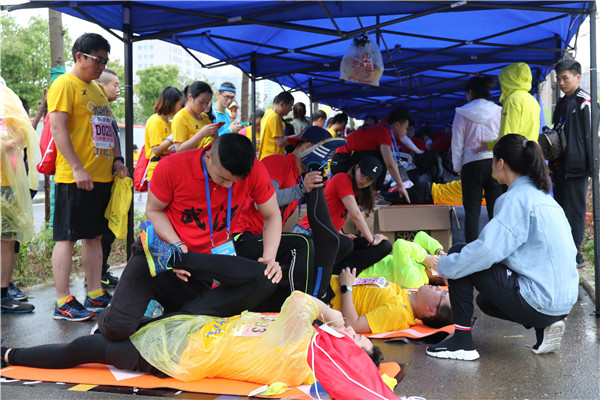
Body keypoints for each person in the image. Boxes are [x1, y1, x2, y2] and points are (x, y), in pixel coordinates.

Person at [98, 134, 284, 341]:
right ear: (209, 156)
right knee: (116, 328)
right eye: (223, 178)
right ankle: (112, 315)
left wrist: (269, 258)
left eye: (235, 181)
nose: (228, 186)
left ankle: (152, 321)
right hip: (158, 255)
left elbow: (272, 215)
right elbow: (153, 210)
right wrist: (176, 245)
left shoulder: (254, 170)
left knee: (183, 334)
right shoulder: (172, 167)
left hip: (200, 265)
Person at [2, 291, 382, 386]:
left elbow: (299, 301)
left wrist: (332, 314)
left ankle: (10, 355)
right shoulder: (310, 341)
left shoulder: (303, 356)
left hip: (179, 353)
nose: (350, 332)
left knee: (87, 349)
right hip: (195, 331)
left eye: (354, 341)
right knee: (120, 325)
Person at [426, 134, 579, 361]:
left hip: (539, 301)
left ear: (501, 163)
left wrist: (444, 265)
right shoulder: (547, 200)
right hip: (563, 303)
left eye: (492, 160)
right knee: (484, 302)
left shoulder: (515, 199)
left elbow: (485, 251)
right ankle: (544, 327)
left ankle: (462, 342)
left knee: (459, 254)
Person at [48, 33, 128, 321]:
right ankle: (62, 301)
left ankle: (94, 293)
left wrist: (117, 159)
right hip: (74, 177)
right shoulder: (65, 84)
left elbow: (109, 128)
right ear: (79, 56)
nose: (101, 66)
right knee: (67, 237)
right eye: (97, 60)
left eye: (105, 61)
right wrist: (77, 167)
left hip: (101, 176)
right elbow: (57, 128)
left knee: (94, 236)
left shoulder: (96, 90)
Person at [235, 126, 345, 303]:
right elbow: (261, 201)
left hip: (266, 240)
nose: (326, 161)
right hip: (243, 237)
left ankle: (320, 296)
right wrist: (301, 189)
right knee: (302, 243)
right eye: (325, 155)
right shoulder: (278, 162)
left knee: (338, 243)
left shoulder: (299, 176)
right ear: (306, 147)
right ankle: (300, 305)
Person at [299, 156, 393, 278]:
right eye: (363, 174)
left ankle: (342, 271)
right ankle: (330, 272)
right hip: (309, 233)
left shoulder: (354, 189)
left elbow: (331, 215)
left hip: (329, 236)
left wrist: (341, 234)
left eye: (369, 179)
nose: (364, 180)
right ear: (357, 167)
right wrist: (372, 240)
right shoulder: (342, 178)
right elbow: (356, 215)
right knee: (347, 243)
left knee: (384, 246)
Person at [550, 59, 598, 268]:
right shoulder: (562, 103)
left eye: (565, 78)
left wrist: (592, 169)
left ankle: (576, 252)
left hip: (577, 168)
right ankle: (564, 250)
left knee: (576, 210)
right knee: (561, 209)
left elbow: (591, 137)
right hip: (559, 166)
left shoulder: (584, 102)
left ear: (578, 77)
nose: (561, 83)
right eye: (558, 79)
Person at [451, 76, 504, 242]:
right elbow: (503, 137)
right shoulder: (498, 110)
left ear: (470, 92)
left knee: (472, 212)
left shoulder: (461, 112)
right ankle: (497, 248)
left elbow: (457, 143)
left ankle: (471, 251)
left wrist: (457, 167)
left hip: (471, 164)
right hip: (494, 162)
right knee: (496, 211)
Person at [1, 84, 39, 313]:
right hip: (5, 184)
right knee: (5, 241)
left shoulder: (9, 110)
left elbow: (18, 142)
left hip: (9, 184)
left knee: (8, 240)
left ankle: (4, 292)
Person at [332, 267, 451, 334]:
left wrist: (346, 287)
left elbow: (353, 325)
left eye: (443, 294)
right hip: (332, 281)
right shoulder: (407, 296)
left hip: (327, 297)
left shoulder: (399, 313)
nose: (439, 288)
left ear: (431, 310)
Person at [331, 108, 411, 201]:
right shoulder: (383, 132)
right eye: (405, 128)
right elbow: (390, 164)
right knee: (381, 159)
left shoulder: (383, 128)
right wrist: (401, 186)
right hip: (341, 162)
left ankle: (372, 194)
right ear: (397, 125)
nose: (406, 132)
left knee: (377, 159)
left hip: (342, 160)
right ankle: (375, 193)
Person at [95, 68, 123, 289]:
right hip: (99, 178)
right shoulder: (97, 110)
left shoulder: (107, 110)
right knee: (100, 232)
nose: (118, 89)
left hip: (110, 177)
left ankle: (101, 270)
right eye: (115, 84)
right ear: (102, 86)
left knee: (107, 230)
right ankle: (97, 275)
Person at [359, 231, 446, 289]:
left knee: (384, 245)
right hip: (369, 260)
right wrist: (439, 251)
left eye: (442, 261)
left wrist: (425, 257)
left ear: (437, 275)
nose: (438, 258)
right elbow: (421, 236)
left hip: (361, 272)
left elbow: (400, 245)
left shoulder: (415, 280)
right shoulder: (421, 265)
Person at [486, 62, 540, 150]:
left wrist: (490, 146)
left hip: (516, 153)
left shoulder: (512, 100)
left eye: (503, 81)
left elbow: (507, 136)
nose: (500, 87)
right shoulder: (532, 100)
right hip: (531, 152)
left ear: (509, 80)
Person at [143, 86, 184, 182]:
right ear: (171, 103)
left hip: (169, 169)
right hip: (157, 171)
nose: (181, 108)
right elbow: (156, 150)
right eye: (180, 105)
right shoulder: (154, 121)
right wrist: (174, 136)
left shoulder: (170, 123)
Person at [172, 81, 220, 152]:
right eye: (201, 102)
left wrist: (215, 135)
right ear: (190, 97)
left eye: (207, 102)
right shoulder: (180, 118)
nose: (205, 106)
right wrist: (201, 134)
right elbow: (179, 150)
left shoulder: (205, 117)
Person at [257, 91, 295, 161]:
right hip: (272, 159)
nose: (290, 110)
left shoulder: (268, 113)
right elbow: (280, 142)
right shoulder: (274, 117)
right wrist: (297, 137)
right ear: (282, 104)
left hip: (266, 157)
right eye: (290, 106)